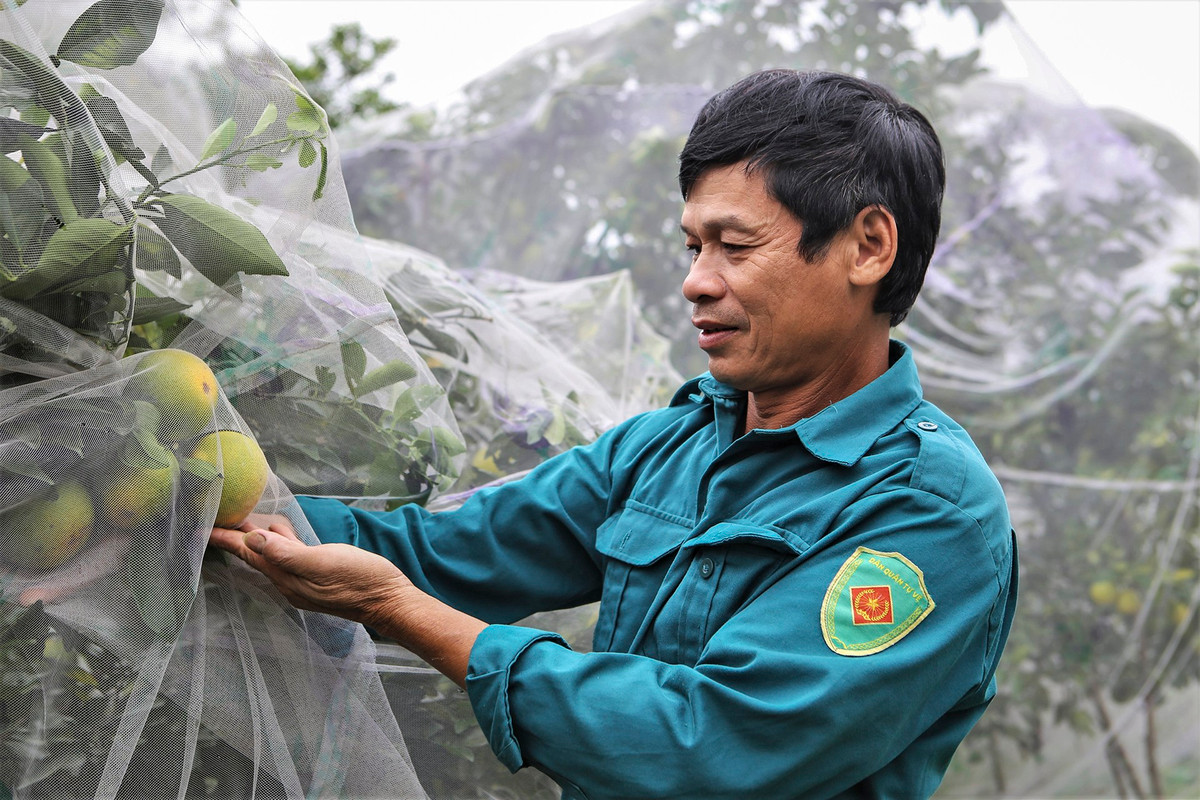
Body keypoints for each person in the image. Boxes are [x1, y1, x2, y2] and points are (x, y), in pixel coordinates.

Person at [211, 68, 1018, 799]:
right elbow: (446, 549)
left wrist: (397, 610)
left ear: (868, 246)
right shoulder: (672, 444)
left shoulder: (927, 509)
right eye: (694, 245)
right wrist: (210, 504)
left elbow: (707, 748)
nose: (697, 281)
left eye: (735, 246)